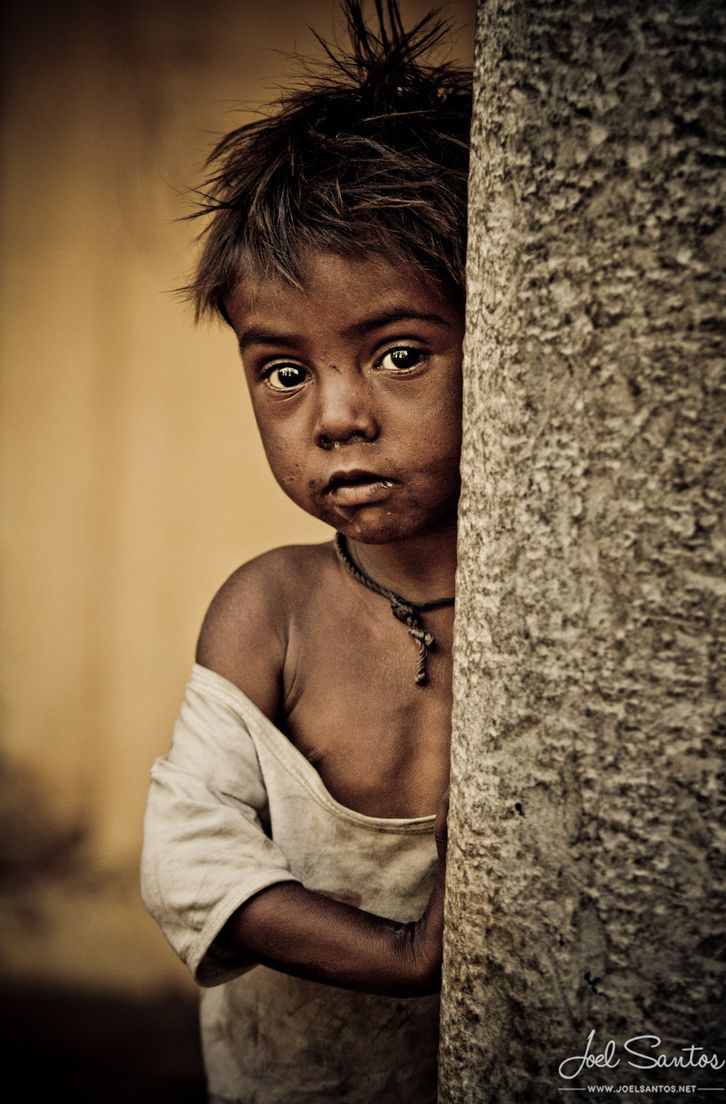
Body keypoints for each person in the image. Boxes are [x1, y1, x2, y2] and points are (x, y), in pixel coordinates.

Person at [140, 2, 472, 1100]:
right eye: (283, 371)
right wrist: (404, 957)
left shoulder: (552, 609)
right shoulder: (271, 609)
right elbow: (188, 856)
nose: (335, 416)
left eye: (399, 353)